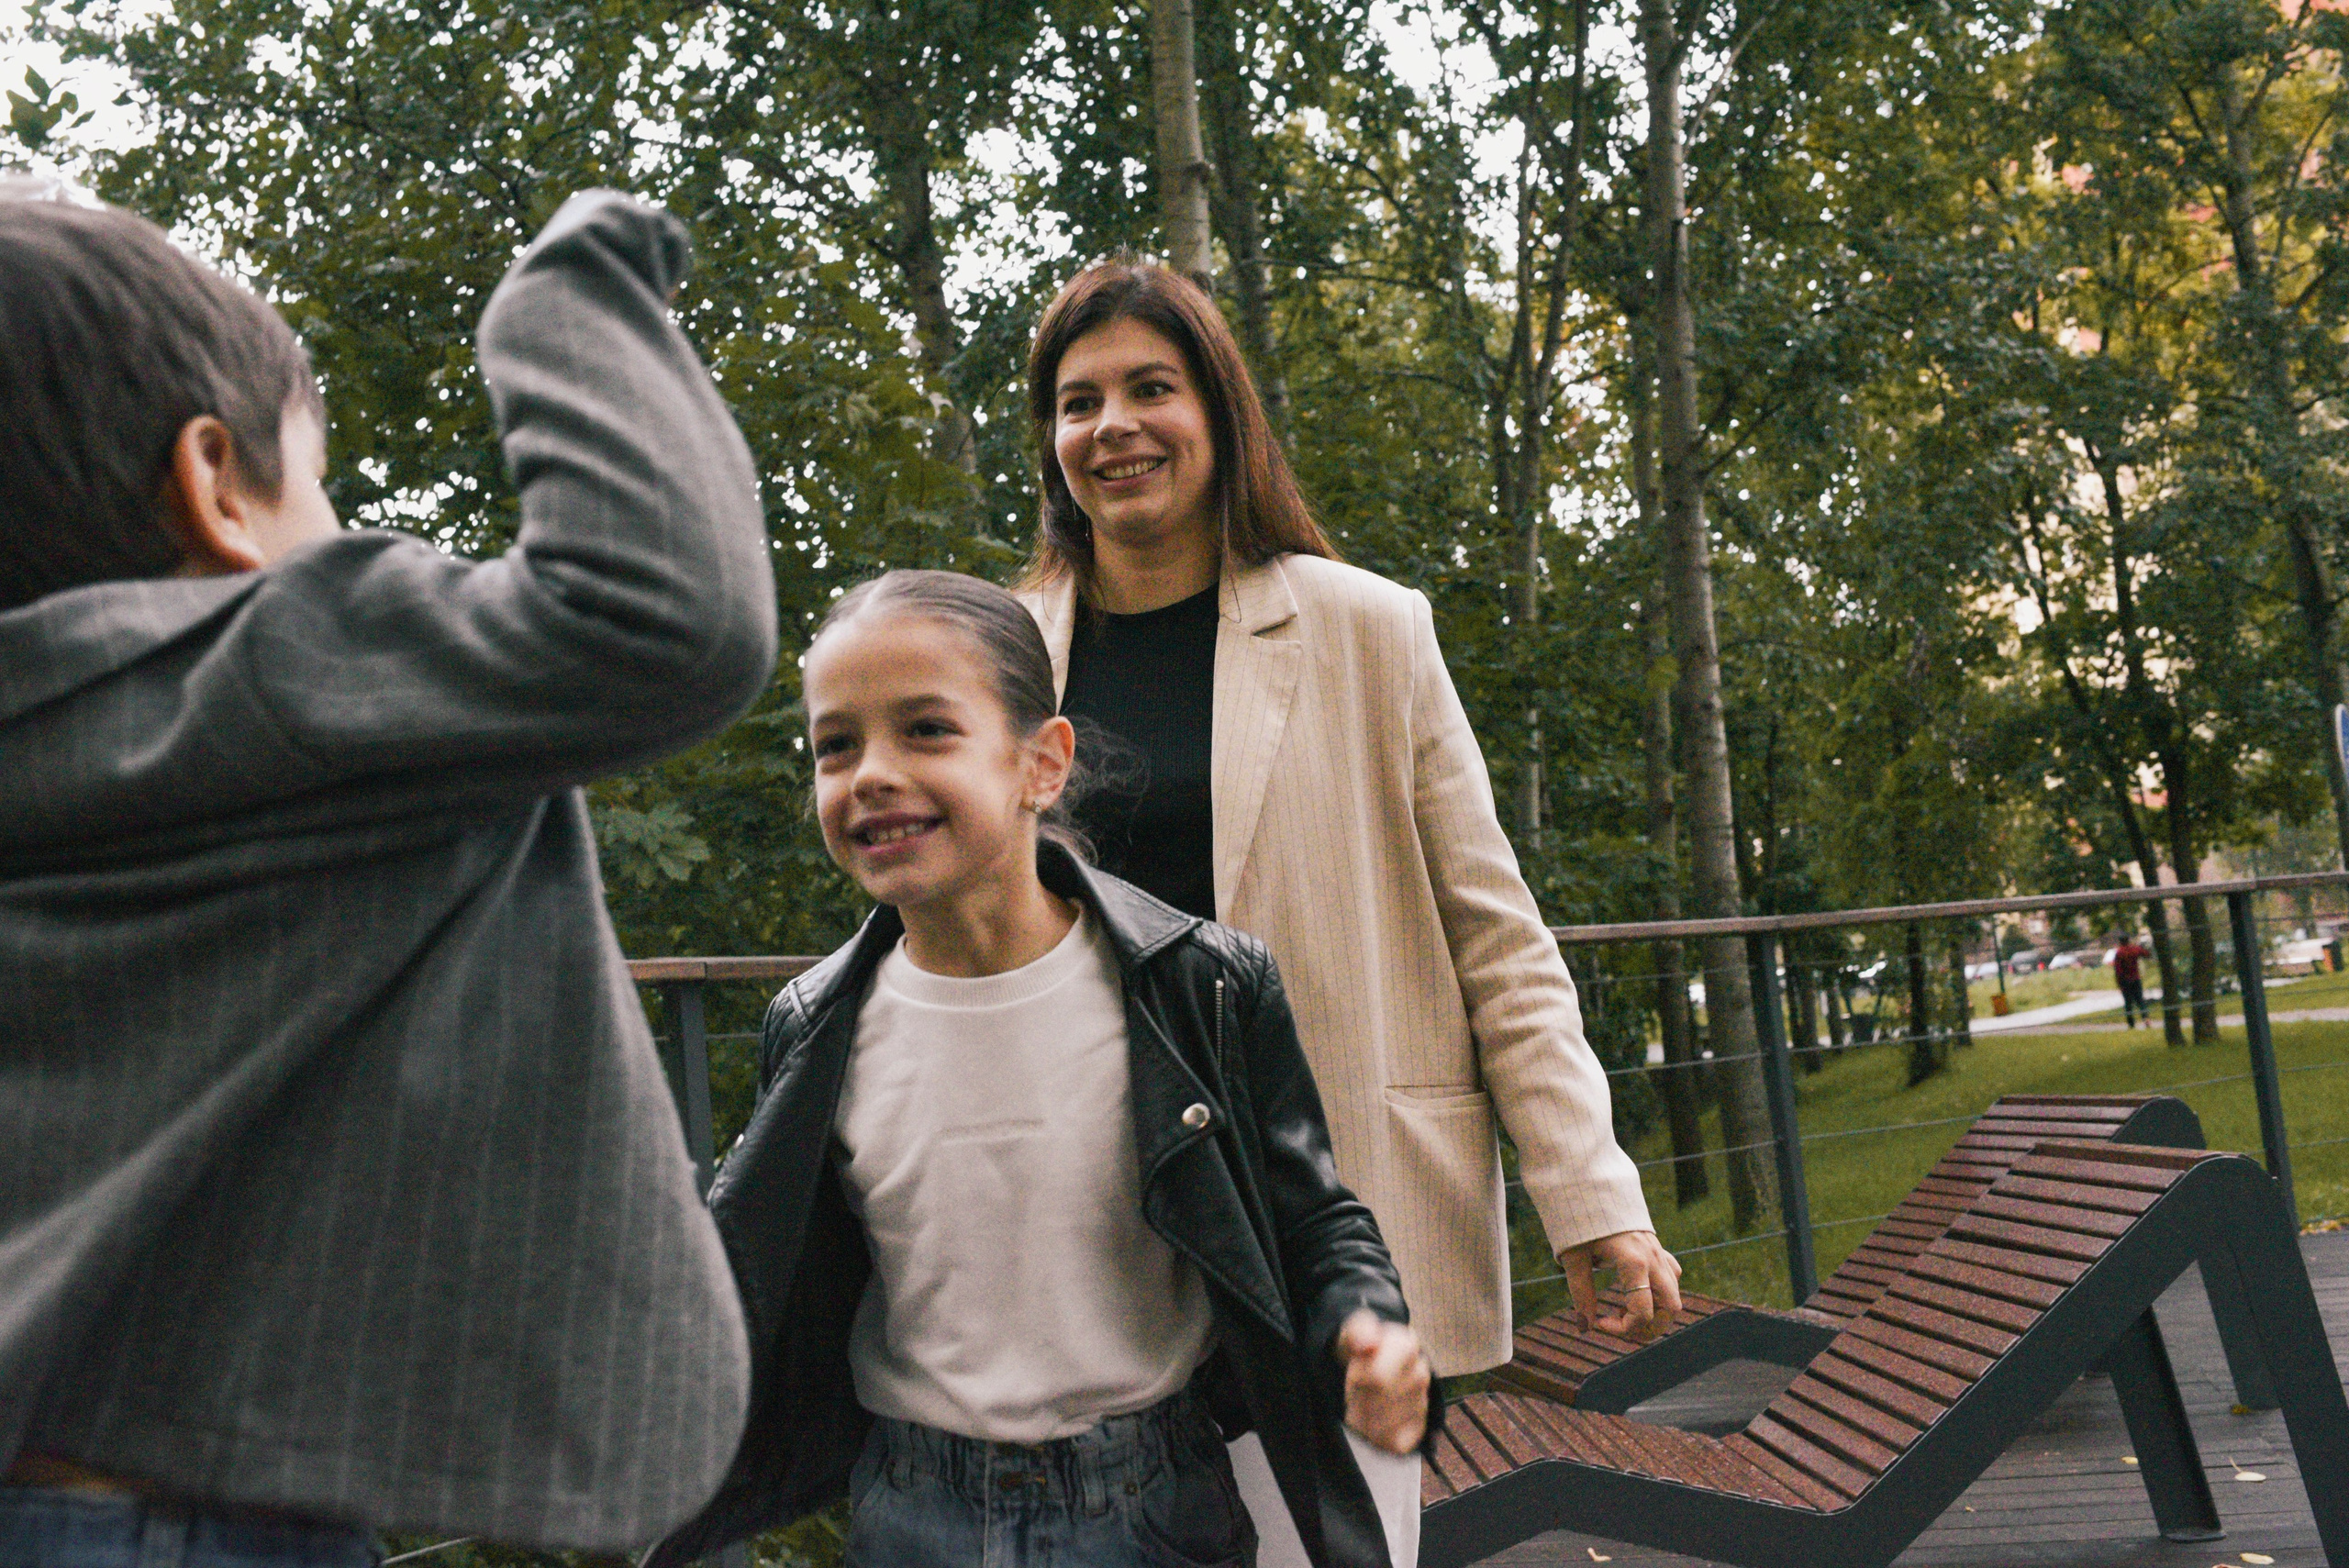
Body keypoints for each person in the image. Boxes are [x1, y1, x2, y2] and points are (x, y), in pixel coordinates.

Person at [0, 187, 772, 1562]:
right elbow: (664, 616)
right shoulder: (283, 660)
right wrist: (576, 294)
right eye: (316, 475)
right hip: (199, 1527)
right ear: (216, 486)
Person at [1014, 258, 1683, 1566]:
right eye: (1078, 401)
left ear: (1220, 411)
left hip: (1319, 1210)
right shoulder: (992, 649)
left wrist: (1594, 1195)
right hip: (1083, 1211)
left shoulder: (1368, 629)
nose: (1115, 427)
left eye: (1153, 387)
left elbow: (1496, 935)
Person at [646, 570, 1435, 1568]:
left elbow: (1315, 1218)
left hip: (1158, 1504)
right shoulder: (811, 1027)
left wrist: (1365, 1323)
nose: (871, 772)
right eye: (834, 745)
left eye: (925, 728)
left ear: (1041, 763)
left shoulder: (1203, 986)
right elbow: (768, 1272)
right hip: (909, 1509)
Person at [2112, 931, 2152, 1028]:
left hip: (2125, 980)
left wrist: (2119, 983)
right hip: (2136, 978)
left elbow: (2118, 970)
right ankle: (2145, 1018)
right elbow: (2146, 954)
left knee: (2128, 1003)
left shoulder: (2119, 952)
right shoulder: (2134, 949)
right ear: (2128, 940)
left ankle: (2131, 1024)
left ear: (2120, 942)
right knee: (2140, 1000)